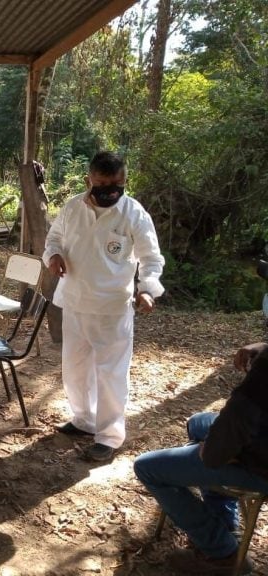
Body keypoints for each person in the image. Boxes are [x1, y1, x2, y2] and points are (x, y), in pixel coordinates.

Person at [42, 151, 165, 461]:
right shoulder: (72, 208)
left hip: (112, 307)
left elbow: (151, 258)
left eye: (118, 184)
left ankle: (109, 436)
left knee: (110, 373)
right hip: (74, 301)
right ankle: (84, 419)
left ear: (124, 181)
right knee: (75, 368)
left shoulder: (133, 213)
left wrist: (147, 289)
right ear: (89, 181)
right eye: (103, 183)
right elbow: (53, 239)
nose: (111, 190)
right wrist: (54, 256)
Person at [134, 342, 268, 575]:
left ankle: (223, 553)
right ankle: (224, 522)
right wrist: (262, 347)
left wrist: (213, 449)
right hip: (259, 438)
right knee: (198, 423)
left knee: (146, 468)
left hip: (260, 465)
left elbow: (217, 450)